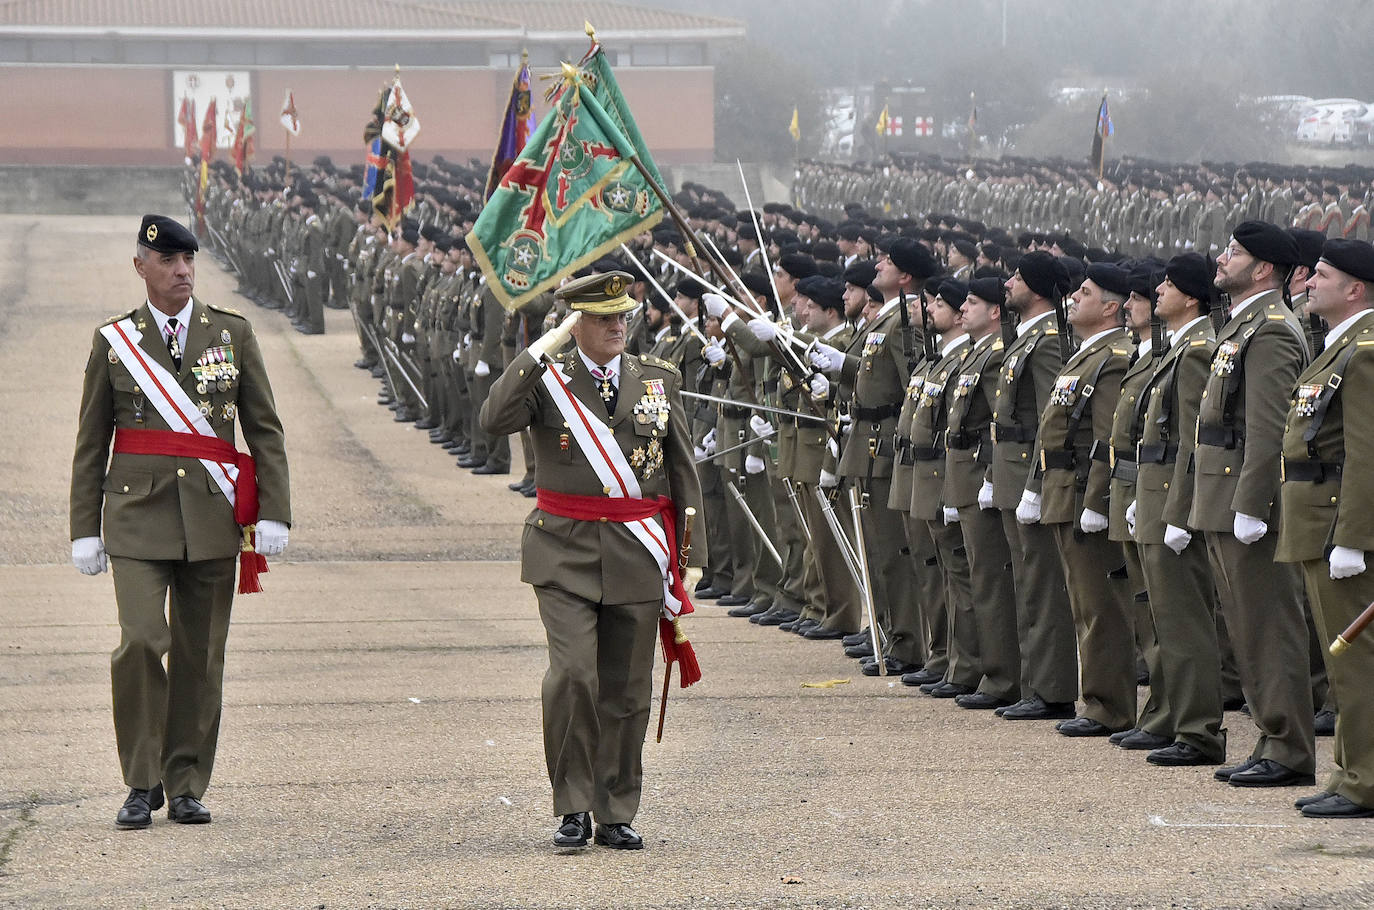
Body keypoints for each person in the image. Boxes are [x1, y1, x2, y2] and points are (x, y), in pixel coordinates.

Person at [69, 214, 291, 829]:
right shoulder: (114, 341)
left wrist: (274, 510)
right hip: (137, 516)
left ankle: (186, 780)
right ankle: (141, 782)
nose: (182, 270)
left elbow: (264, 430)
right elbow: (92, 442)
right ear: (141, 267)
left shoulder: (232, 334)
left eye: (189, 259)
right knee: (141, 640)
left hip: (213, 516)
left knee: (201, 653)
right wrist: (83, 526)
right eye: (167, 260)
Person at [479, 271, 706, 850]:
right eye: (604, 317)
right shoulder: (547, 378)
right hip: (563, 551)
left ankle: (615, 809)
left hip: (636, 554)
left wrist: (689, 556)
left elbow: (682, 472)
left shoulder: (657, 379)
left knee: (626, 690)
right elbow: (493, 418)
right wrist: (539, 349)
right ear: (575, 322)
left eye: (623, 314)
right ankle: (573, 804)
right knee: (573, 675)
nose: (618, 325)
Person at [1277, 238, 1374, 818]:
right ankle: (1350, 772)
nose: (1310, 282)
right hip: (1317, 518)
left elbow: (1366, 454)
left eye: (1322, 275)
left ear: (1355, 289)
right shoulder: (1336, 347)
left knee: (1358, 660)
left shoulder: (1363, 351)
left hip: (1340, 522)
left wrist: (1355, 537)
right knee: (1344, 662)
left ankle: (1365, 780)